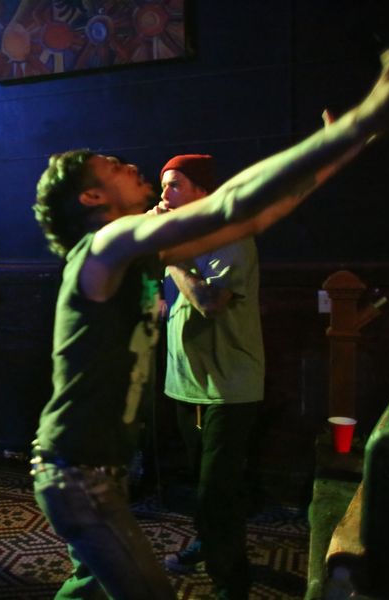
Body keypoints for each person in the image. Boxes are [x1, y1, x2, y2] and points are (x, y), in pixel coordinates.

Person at [30, 49, 389, 600]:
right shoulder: (106, 242)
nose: (131, 167)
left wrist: (348, 143)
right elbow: (230, 206)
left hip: (93, 468)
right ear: (92, 198)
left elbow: (254, 215)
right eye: (113, 167)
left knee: (89, 588)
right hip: (78, 474)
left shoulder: (136, 254)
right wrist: (364, 118)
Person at [153, 155, 263, 598]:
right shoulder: (178, 237)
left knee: (219, 491)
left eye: (175, 184)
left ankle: (231, 583)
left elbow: (210, 302)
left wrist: (171, 259)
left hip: (228, 387)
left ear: (203, 191)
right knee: (201, 480)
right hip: (187, 382)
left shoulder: (231, 235)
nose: (164, 194)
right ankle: (208, 542)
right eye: (163, 185)